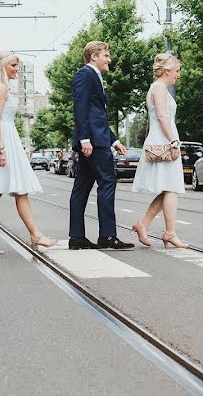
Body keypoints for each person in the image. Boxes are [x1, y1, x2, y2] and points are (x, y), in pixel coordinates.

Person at [0, 52, 56, 255]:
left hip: (4, 139)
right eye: (13, 65)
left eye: (18, 65)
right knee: (19, 191)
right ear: (3, 66)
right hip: (2, 141)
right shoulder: (1, 88)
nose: (17, 69)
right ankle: (35, 235)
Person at [67, 41, 133, 250]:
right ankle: (107, 236)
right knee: (107, 182)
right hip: (93, 143)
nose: (109, 59)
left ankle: (77, 237)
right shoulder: (85, 75)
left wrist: (114, 140)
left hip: (98, 139)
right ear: (94, 56)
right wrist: (85, 139)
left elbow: (97, 114)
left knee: (82, 187)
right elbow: (81, 108)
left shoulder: (94, 76)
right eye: (106, 55)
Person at [130, 53, 188, 248]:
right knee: (171, 188)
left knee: (168, 188)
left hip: (161, 138)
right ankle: (169, 233)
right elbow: (163, 117)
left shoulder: (159, 88)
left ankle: (143, 224)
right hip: (164, 140)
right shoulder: (160, 88)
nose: (178, 75)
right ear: (167, 70)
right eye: (177, 71)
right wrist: (173, 142)